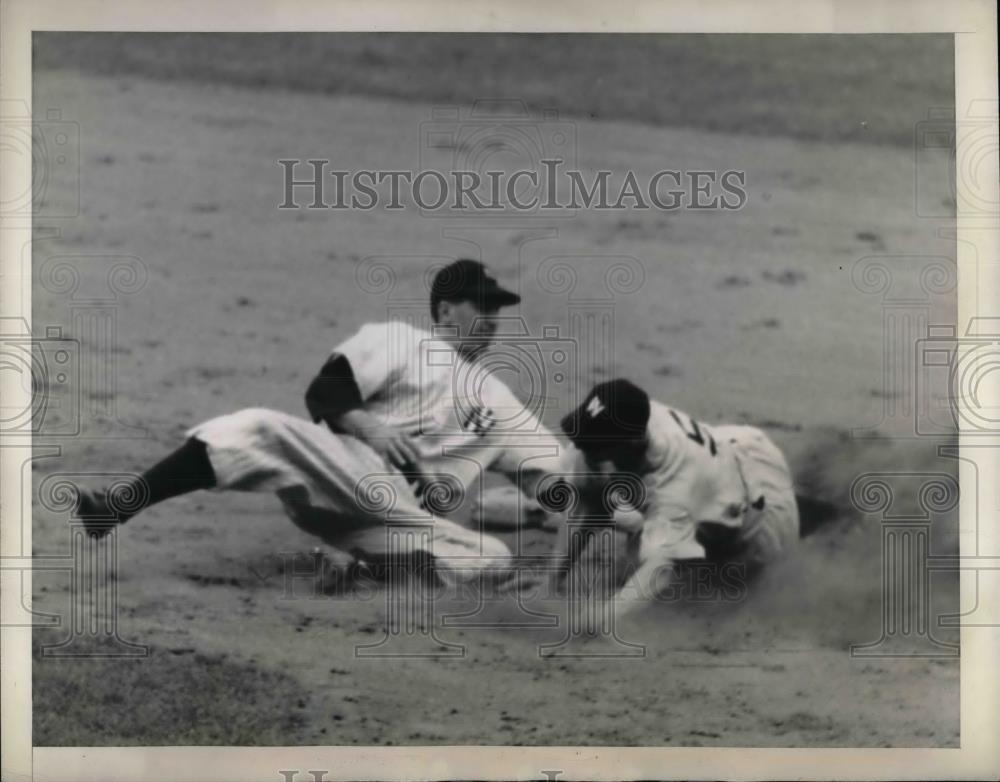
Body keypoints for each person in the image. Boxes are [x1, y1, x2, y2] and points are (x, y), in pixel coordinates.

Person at [74, 259, 565, 585]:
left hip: (400, 521)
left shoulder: (501, 403)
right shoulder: (402, 341)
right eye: (484, 306)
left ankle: (355, 570)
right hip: (345, 471)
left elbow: (556, 479)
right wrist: (369, 426)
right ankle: (117, 506)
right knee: (257, 425)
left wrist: (630, 516)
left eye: (497, 309)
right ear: (445, 310)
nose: (493, 318)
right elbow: (326, 389)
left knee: (492, 557)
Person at [553, 378, 800, 612]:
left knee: (727, 598)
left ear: (633, 443)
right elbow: (586, 504)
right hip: (726, 449)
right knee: (638, 564)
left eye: (597, 445)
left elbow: (661, 571)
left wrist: (598, 622)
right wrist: (551, 581)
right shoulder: (620, 428)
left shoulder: (677, 479)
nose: (583, 449)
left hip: (760, 516)